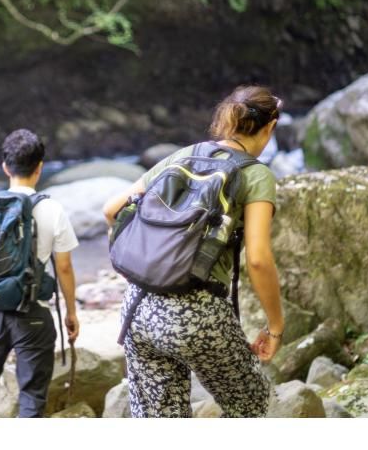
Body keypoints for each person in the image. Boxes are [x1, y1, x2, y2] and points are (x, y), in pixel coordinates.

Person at [102, 85, 285, 418]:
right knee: (254, 406)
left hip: (138, 309)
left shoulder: (185, 155)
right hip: (196, 314)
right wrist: (274, 327)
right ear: (270, 127)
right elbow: (258, 260)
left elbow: (112, 210)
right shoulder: (256, 175)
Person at [0, 128, 80, 418]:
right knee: (32, 395)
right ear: (40, 168)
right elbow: (63, 267)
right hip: (33, 313)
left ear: (4, 167)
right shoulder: (52, 209)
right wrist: (71, 313)